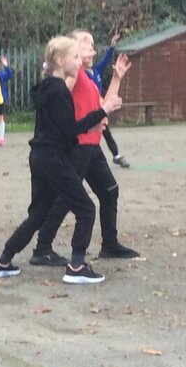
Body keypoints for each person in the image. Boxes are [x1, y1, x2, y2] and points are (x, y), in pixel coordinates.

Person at [0, 36, 117, 285]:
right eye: (75, 57)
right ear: (59, 60)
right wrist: (102, 112)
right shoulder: (58, 91)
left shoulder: (48, 87)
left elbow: (62, 127)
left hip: (39, 157)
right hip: (54, 158)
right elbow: (69, 130)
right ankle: (76, 266)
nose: (79, 62)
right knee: (86, 209)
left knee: (39, 214)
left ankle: (2, 261)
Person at [29, 30, 138, 264]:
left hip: (93, 145)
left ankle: (109, 244)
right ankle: (42, 248)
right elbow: (57, 93)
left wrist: (117, 78)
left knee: (109, 191)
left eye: (91, 41)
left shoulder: (89, 75)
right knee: (66, 198)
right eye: (85, 42)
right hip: (77, 145)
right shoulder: (74, 74)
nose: (91, 45)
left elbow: (104, 106)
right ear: (72, 50)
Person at [92, 32, 131, 167]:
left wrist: (112, 46)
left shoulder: (96, 70)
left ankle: (116, 155)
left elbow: (106, 60)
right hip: (90, 109)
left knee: (106, 133)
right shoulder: (81, 74)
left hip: (98, 107)